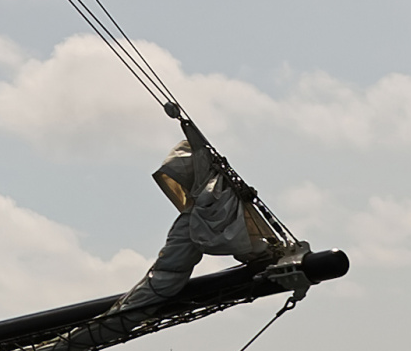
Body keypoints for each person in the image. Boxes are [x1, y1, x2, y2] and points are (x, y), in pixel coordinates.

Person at [118, 123, 287, 311]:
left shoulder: (208, 210)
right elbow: (231, 239)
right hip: (159, 287)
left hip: (160, 286)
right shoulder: (201, 215)